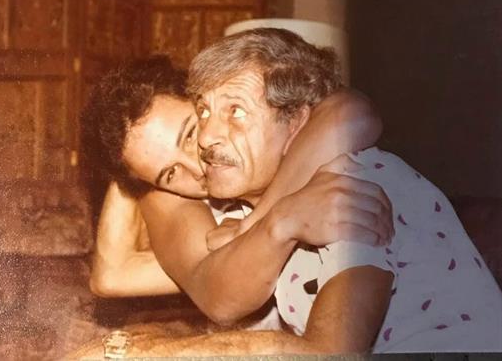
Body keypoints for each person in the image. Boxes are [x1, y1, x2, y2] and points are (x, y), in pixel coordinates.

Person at [183, 28, 502, 352]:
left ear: (297, 122)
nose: (206, 136)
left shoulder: (354, 180)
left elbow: (335, 352)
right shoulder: (249, 206)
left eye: (236, 111)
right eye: (203, 111)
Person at [72, 52, 393, 356]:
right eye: (170, 173)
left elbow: (351, 112)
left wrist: (262, 220)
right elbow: (113, 276)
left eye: (190, 134)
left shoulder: (310, 153)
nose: (198, 167)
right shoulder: (190, 202)